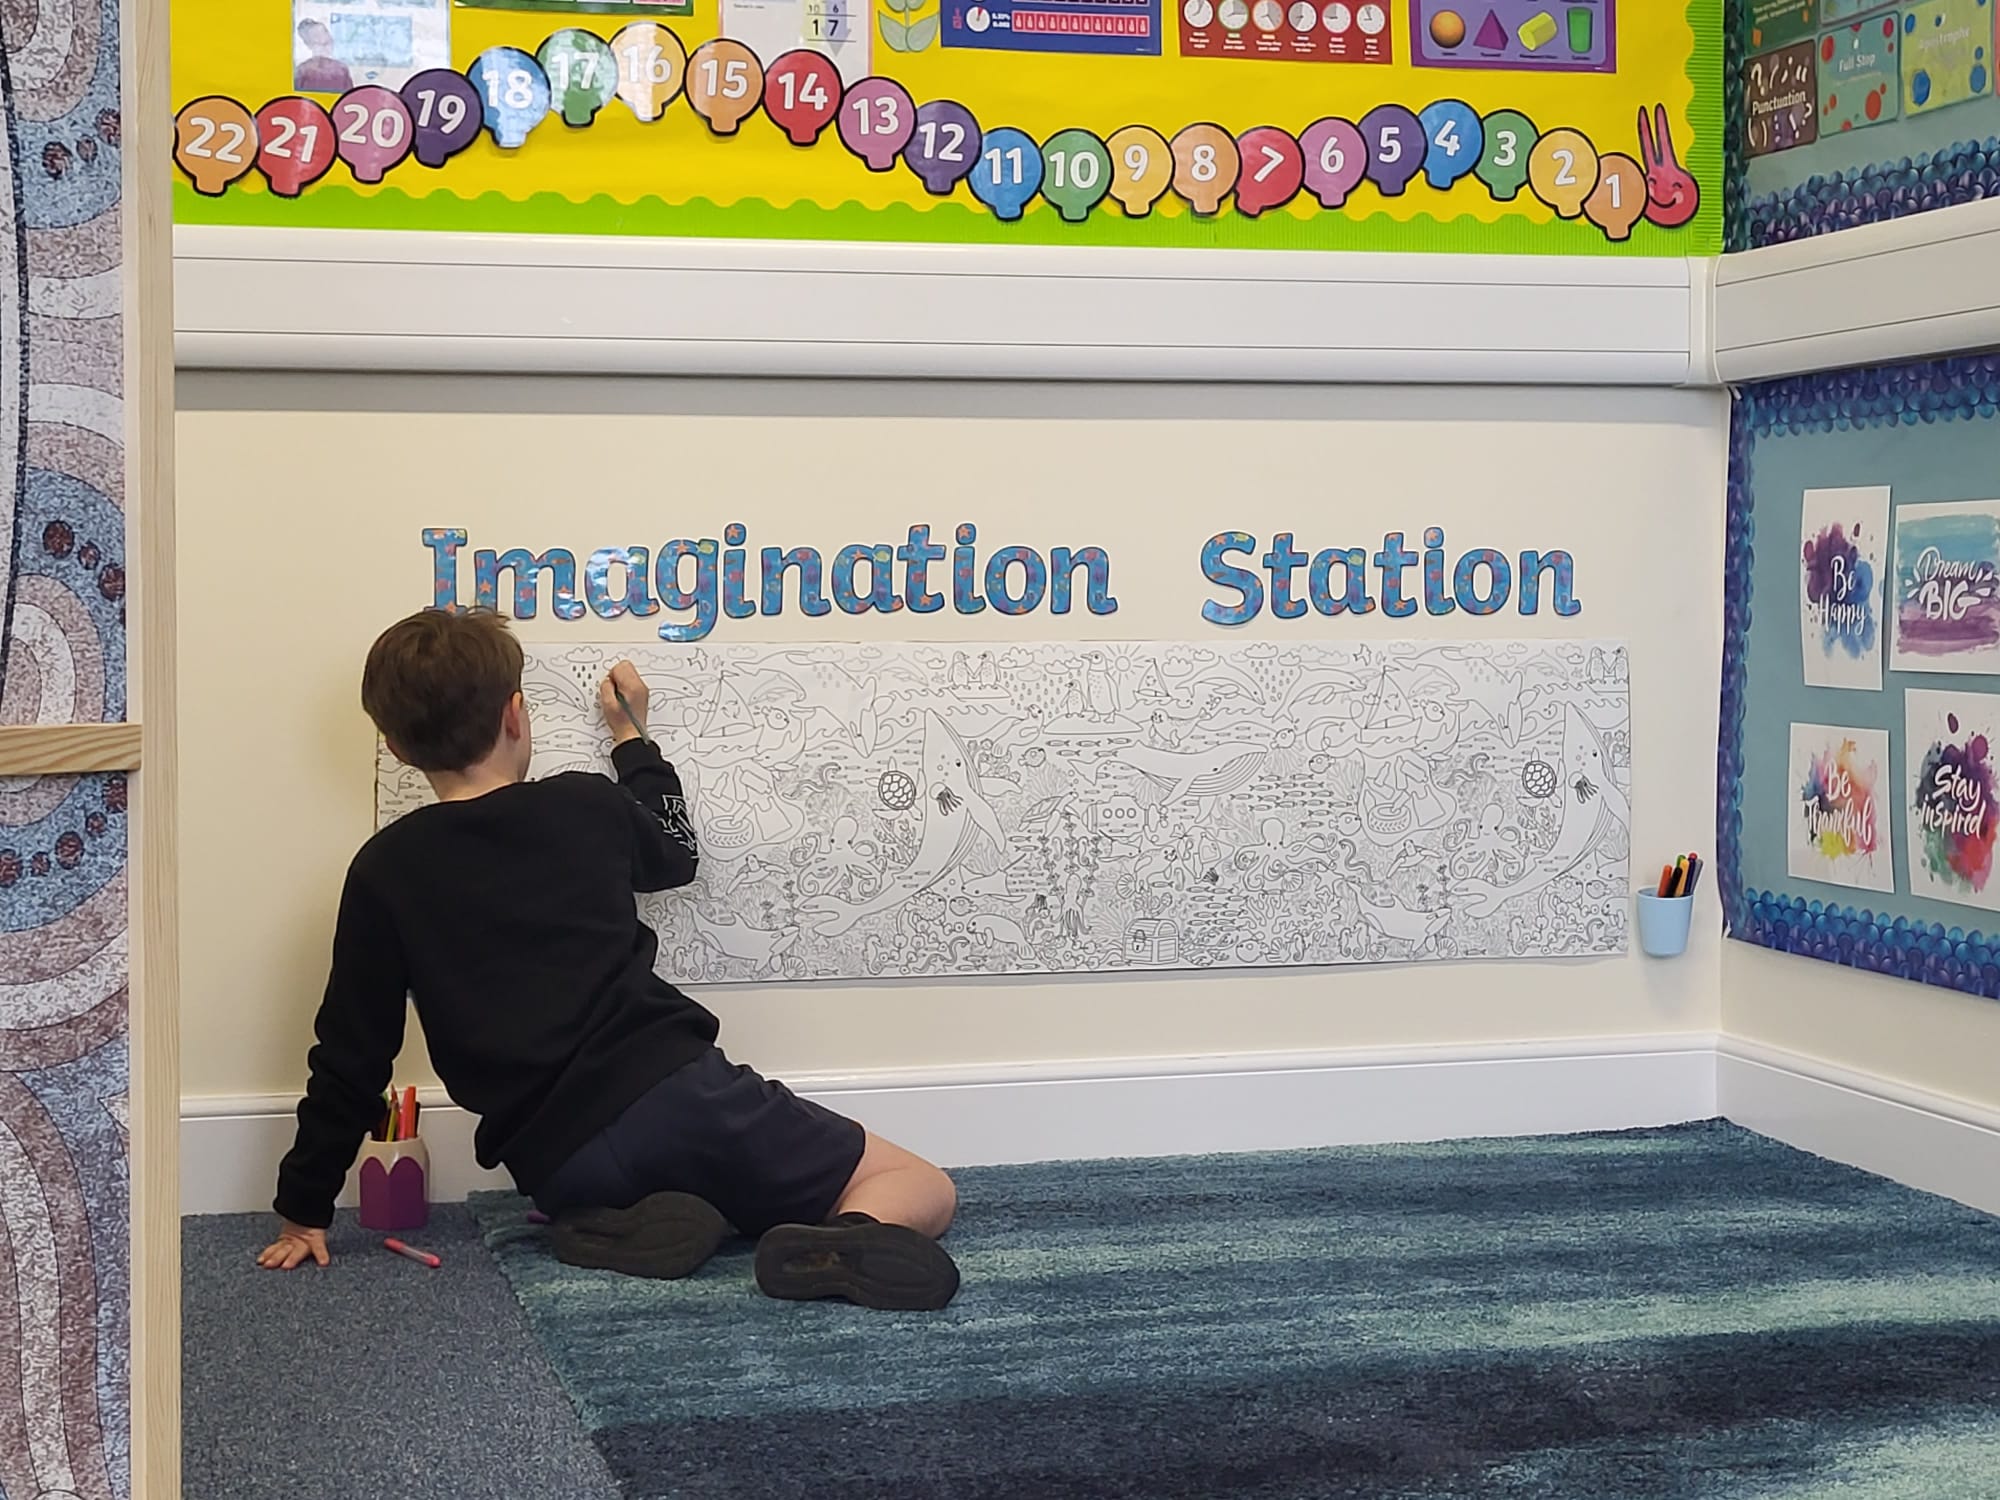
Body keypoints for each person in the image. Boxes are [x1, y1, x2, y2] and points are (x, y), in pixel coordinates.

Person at [258, 608, 961, 1311]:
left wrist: (305, 1204)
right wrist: (633, 738)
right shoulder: (585, 806)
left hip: (559, 1163)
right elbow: (675, 853)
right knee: (922, 1185)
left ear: (395, 747)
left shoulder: (385, 870)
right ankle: (841, 1240)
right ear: (516, 715)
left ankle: (609, 1223)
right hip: (682, 1097)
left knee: (642, 1192)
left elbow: (353, 1052)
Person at [294, 18, 354, 95]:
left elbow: (349, 97)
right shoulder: (302, 71)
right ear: (309, 44)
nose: (322, 38)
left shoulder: (342, 69)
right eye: (316, 36)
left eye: (325, 32)